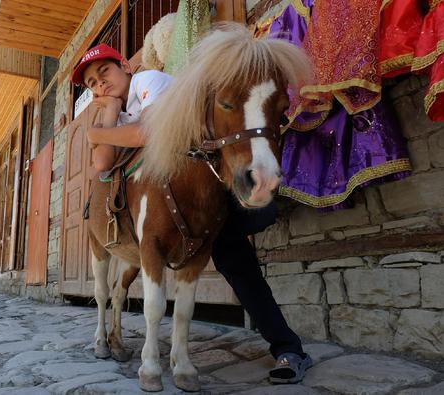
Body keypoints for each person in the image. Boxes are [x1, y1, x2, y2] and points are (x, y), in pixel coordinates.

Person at [71, 43, 312, 383]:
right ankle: (282, 345)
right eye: (93, 83)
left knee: (236, 263)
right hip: (183, 195)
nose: (100, 84)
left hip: (209, 190)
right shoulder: (123, 108)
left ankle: (288, 347)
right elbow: (102, 164)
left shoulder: (148, 81)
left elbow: (148, 133)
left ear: (125, 65)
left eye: (105, 73)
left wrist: (96, 133)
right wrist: (108, 111)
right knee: (233, 263)